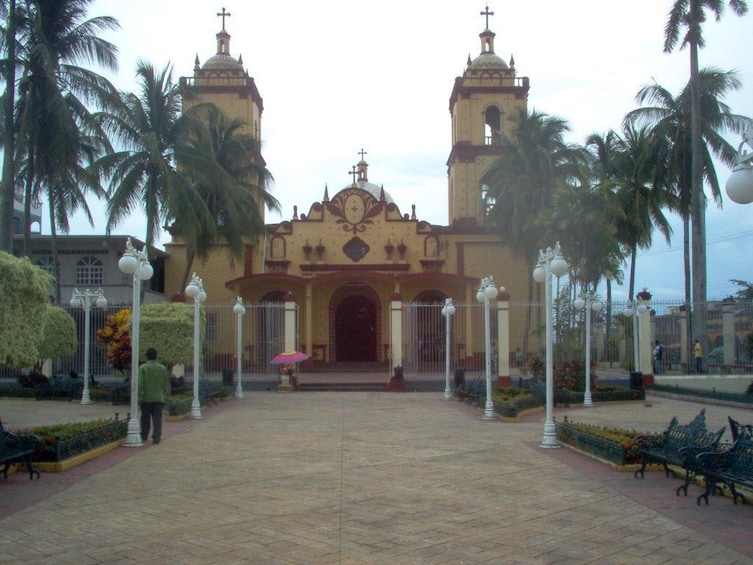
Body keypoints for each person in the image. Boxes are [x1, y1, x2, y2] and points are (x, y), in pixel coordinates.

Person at [138, 347, 170, 445]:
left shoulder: (143, 368)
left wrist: (139, 394)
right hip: (158, 397)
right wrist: (165, 394)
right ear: (156, 356)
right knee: (157, 418)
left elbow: (140, 383)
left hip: (146, 398)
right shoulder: (162, 368)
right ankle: (156, 437)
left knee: (145, 418)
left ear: (147, 356)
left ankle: (144, 435)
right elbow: (165, 383)